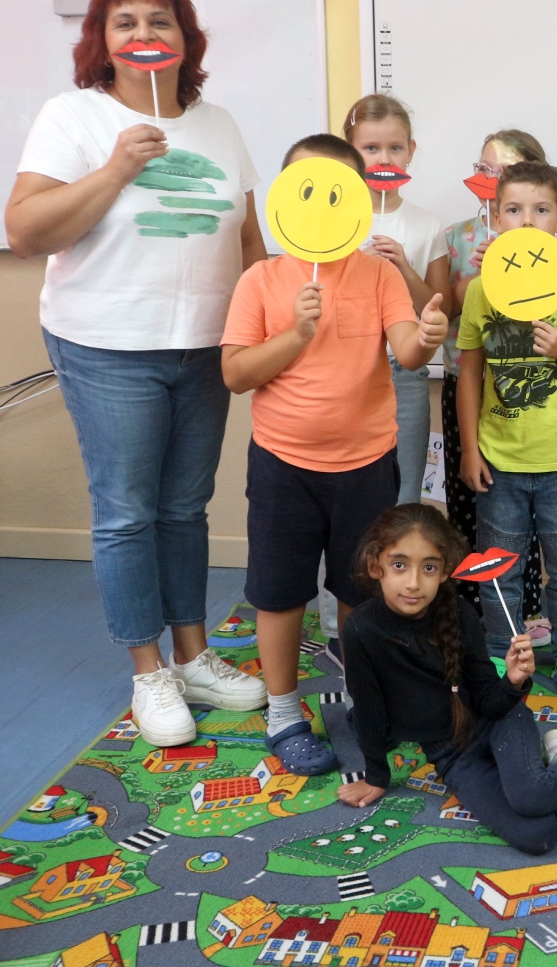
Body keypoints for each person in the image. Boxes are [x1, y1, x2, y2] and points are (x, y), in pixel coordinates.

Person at [5, 0, 269, 746]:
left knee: (185, 508)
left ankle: (192, 657)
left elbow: (248, 242)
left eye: (161, 20)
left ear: (186, 40)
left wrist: (263, 328)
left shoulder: (219, 124)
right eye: (126, 22)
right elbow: (25, 231)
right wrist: (117, 167)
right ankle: (148, 671)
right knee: (127, 512)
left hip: (203, 346)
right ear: (103, 40)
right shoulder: (74, 117)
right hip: (107, 346)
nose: (144, 33)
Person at [220, 134, 449, 774]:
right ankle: (283, 711)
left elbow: (408, 352)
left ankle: (358, 692)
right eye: (306, 189)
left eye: (336, 191)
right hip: (283, 466)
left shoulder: (378, 274)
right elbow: (236, 374)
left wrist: (429, 335)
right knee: (279, 592)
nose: (321, 203)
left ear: (358, 200)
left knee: (359, 589)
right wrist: (295, 333)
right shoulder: (262, 279)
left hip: (366, 464)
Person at [337, 505, 557, 855]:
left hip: (498, 721)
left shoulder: (460, 614)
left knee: (532, 795)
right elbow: (368, 710)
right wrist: (376, 777)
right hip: (450, 755)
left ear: (445, 571)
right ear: (375, 565)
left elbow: (491, 702)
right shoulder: (361, 629)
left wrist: (513, 681)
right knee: (538, 836)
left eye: (429, 567)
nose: (413, 582)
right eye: (399, 565)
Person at [456, 161, 557, 700]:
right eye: (514, 209)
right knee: (499, 569)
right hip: (500, 462)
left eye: (541, 209)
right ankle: (503, 651)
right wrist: (470, 449)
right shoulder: (480, 291)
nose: (527, 220)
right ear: (496, 220)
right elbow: (469, 374)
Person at [442, 129, 557, 632]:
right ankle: (473, 609)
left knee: (526, 510)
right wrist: (484, 273)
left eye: (504, 170)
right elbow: (453, 308)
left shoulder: (556, 241)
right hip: (470, 383)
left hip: (535, 395)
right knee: (470, 498)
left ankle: (527, 606)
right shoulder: (459, 236)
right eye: (484, 168)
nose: (491, 178)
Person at [343, 94, 451, 508]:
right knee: (352, 493)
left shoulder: (426, 224)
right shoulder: (336, 220)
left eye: (395, 148)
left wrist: (403, 267)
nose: (383, 158)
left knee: (404, 497)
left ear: (410, 151)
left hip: (405, 375)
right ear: (350, 151)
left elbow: (438, 308)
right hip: (346, 369)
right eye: (370, 148)